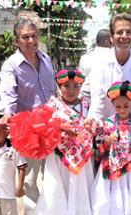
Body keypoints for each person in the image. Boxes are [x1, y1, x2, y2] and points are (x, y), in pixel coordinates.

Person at [0, 18, 56, 215]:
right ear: (16, 41)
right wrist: (8, 113)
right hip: (28, 132)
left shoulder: (47, 60)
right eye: (25, 37)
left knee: (53, 175)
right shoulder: (11, 65)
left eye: (34, 36)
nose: (31, 40)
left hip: (51, 128)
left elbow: (54, 92)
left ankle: (52, 210)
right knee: (30, 180)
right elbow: (8, 94)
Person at [91, 81, 131, 215]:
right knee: (109, 198)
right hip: (111, 166)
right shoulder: (108, 123)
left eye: (126, 106)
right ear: (113, 104)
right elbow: (101, 147)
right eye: (118, 106)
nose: (122, 110)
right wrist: (109, 140)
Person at [34, 70, 94, 215]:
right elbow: (42, 128)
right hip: (58, 159)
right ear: (59, 86)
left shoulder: (87, 104)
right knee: (57, 189)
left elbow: (95, 126)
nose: (72, 90)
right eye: (66, 86)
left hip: (83, 157)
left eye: (76, 86)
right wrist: (62, 129)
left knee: (82, 188)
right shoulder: (51, 105)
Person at [85, 13, 131, 130]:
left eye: (128, 32)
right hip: (108, 130)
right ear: (111, 37)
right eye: (119, 32)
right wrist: (93, 118)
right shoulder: (100, 63)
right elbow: (97, 98)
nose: (124, 36)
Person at [79, 29, 112, 100]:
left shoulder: (85, 58)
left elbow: (80, 79)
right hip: (104, 97)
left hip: (86, 97)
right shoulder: (113, 56)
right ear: (107, 42)